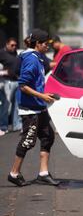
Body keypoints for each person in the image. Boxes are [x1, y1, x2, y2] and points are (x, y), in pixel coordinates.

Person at [7, 29, 59, 187]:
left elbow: (34, 82)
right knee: (28, 141)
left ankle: (43, 174)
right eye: (45, 44)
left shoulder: (36, 57)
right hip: (30, 109)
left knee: (48, 136)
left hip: (38, 106)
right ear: (37, 44)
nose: (48, 47)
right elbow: (23, 85)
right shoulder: (31, 59)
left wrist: (44, 94)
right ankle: (13, 173)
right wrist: (41, 96)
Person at [0, 37, 22, 133]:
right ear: (7, 44)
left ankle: (16, 125)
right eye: (12, 45)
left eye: (15, 45)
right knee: (6, 105)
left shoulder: (15, 53)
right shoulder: (2, 53)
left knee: (17, 105)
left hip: (16, 81)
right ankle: (3, 126)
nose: (14, 47)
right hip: (7, 82)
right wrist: (3, 72)